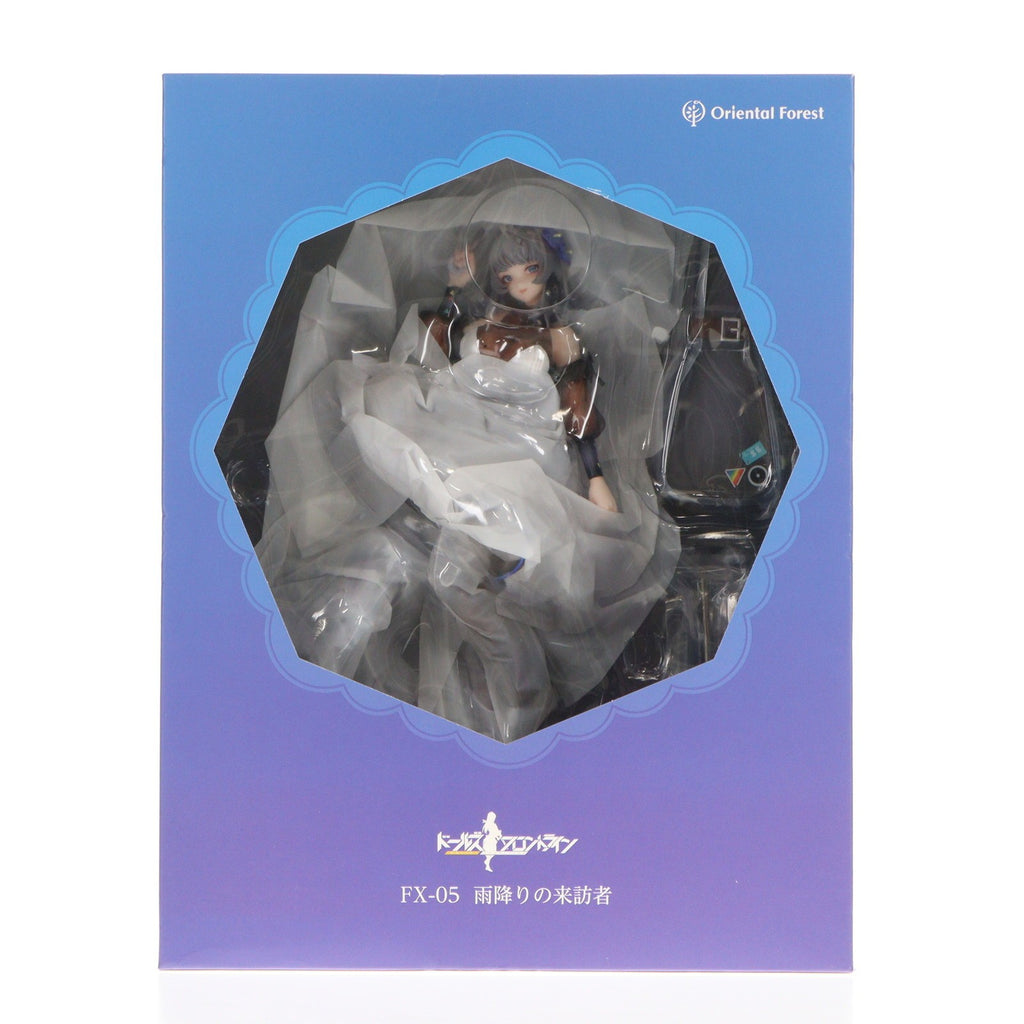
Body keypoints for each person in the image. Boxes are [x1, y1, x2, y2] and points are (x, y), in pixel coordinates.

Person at [256, 214, 678, 742]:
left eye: (530, 272)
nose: (521, 284)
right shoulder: (474, 325)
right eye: (507, 277)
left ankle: (516, 691)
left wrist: (595, 476)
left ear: (548, 270)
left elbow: (579, 412)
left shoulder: (557, 336)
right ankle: (485, 689)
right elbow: (429, 348)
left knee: (454, 576)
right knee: (381, 419)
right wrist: (455, 287)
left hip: (525, 463)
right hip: (460, 441)